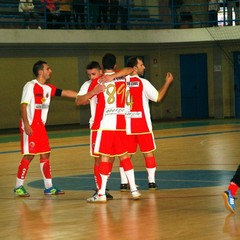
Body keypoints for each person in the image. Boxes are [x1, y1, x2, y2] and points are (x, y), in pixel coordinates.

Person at [14, 60, 78, 197]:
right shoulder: (30, 86)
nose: (50, 71)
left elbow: (65, 92)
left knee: (45, 154)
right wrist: (26, 124)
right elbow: (23, 106)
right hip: (30, 125)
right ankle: (18, 186)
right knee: (29, 155)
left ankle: (49, 187)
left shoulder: (48, 88)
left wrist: (84, 96)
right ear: (40, 71)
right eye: (48, 69)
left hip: (40, 126)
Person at [86, 53, 140, 202]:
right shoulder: (122, 77)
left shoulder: (98, 81)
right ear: (115, 66)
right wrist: (114, 76)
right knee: (124, 157)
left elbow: (84, 100)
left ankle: (102, 194)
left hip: (106, 125)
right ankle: (134, 190)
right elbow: (130, 69)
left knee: (104, 158)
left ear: (102, 67)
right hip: (121, 124)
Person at [75, 61, 134, 198]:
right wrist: (93, 92)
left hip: (112, 125)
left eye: (93, 74)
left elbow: (129, 69)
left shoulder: (112, 79)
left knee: (110, 158)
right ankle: (99, 189)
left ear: (101, 71)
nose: (91, 77)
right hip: (97, 126)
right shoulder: (89, 84)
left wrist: (113, 76)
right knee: (99, 159)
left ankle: (103, 188)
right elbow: (78, 101)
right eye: (88, 74)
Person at [124, 56, 173, 190]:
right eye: (141, 65)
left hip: (126, 125)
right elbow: (157, 97)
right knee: (148, 153)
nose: (144, 67)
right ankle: (151, 182)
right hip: (142, 125)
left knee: (126, 155)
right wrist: (167, 82)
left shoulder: (121, 83)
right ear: (134, 68)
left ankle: (124, 183)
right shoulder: (143, 83)